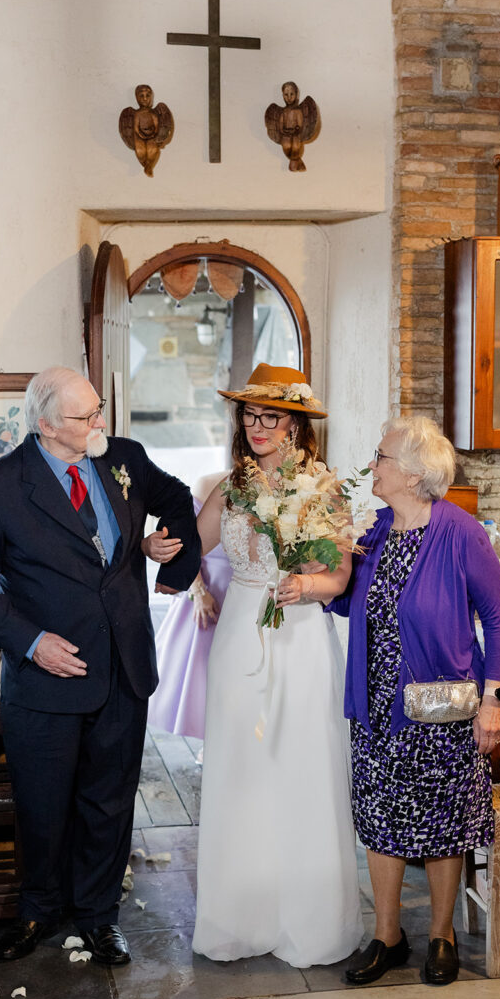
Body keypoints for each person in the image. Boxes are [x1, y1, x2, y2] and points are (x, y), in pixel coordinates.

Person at [0, 366, 200, 966]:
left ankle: (98, 916)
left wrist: (167, 557)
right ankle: (38, 910)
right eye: (85, 416)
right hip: (46, 677)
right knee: (42, 805)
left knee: (109, 803)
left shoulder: (123, 457)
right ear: (45, 425)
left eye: (99, 410)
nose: (99, 423)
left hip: (123, 667)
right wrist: (32, 641)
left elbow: (177, 499)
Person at [146, 363, 363, 968]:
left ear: (296, 424)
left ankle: (309, 921)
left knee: (302, 764)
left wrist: (308, 584)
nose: (259, 426)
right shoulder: (232, 487)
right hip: (242, 632)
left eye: (272, 416)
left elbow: (339, 575)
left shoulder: (324, 488)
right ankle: (240, 918)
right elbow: (191, 548)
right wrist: (153, 547)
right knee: (242, 768)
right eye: (250, 415)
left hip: (301, 635)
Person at [327, 416, 500, 987]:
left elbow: (497, 619)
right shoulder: (376, 529)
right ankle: (387, 935)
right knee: (379, 817)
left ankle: (440, 934)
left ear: (412, 473)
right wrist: (320, 569)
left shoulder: (461, 532)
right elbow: (350, 602)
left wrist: (492, 699)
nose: (372, 465)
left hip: (441, 709)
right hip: (376, 705)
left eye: (381, 457)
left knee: (441, 821)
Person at [147, 471, 232, 743]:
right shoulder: (209, 484)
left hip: (245, 590)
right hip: (209, 585)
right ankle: (212, 740)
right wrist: (199, 590)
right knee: (203, 672)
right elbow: (187, 544)